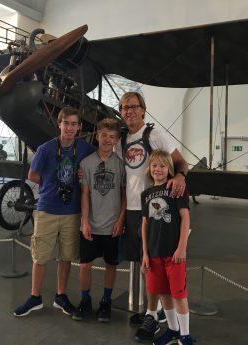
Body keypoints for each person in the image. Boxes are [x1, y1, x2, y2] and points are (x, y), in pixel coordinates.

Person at [115, 91, 188, 341]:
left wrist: (179, 176)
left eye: (133, 106)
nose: (129, 111)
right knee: (145, 262)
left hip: (156, 209)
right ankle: (154, 312)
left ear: (143, 109)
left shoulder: (155, 135)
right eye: (124, 107)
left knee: (154, 265)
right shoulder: (121, 139)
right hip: (134, 210)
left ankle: (151, 314)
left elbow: (180, 162)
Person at [13, 106, 95, 317]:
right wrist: (54, 183)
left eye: (74, 124)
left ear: (79, 127)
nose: (69, 128)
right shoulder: (46, 149)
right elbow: (32, 174)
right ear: (59, 124)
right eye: (66, 123)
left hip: (72, 211)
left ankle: (61, 295)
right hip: (48, 209)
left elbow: (94, 167)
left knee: (66, 256)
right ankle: (35, 297)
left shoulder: (84, 148)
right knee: (40, 256)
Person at [72, 118, 126, 322]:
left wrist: (121, 220)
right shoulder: (86, 164)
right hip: (91, 224)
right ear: (97, 136)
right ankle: (85, 300)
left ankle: (106, 301)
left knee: (111, 264)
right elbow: (84, 194)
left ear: (116, 140)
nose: (107, 140)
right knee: (85, 264)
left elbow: (124, 195)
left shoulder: (121, 166)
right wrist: (85, 221)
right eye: (104, 135)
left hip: (113, 225)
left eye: (112, 137)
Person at [141, 150, 193, 345]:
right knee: (163, 293)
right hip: (154, 253)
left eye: (163, 166)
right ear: (149, 168)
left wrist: (182, 248)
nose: (158, 169)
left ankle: (185, 334)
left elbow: (185, 217)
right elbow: (145, 224)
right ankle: (172, 329)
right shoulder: (146, 194)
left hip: (174, 254)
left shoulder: (176, 189)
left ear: (169, 169)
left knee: (179, 294)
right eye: (154, 165)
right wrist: (145, 254)